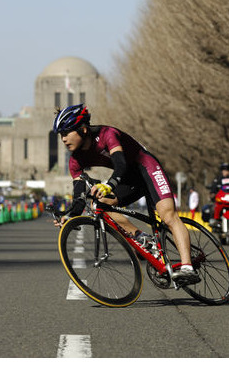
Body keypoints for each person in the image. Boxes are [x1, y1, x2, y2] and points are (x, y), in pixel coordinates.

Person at [51, 104, 200, 285]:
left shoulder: (107, 134)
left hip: (147, 167)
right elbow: (79, 195)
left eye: (66, 133)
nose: (63, 139)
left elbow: (120, 164)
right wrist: (70, 216)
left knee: (168, 216)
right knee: (98, 205)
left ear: (82, 129)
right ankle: (141, 238)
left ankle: (187, 267)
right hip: (129, 179)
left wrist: (110, 184)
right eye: (61, 135)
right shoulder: (75, 160)